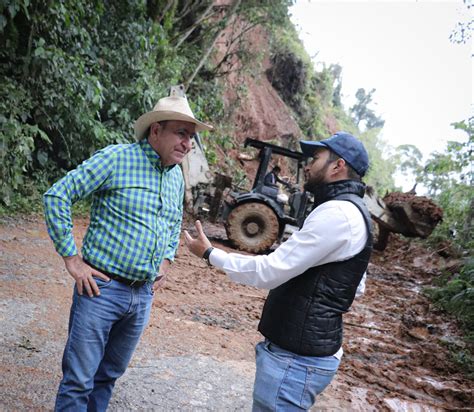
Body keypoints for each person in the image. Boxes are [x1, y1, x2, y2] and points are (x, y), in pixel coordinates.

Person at [44, 94, 212, 411]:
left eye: (191, 137)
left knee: (107, 378)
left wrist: (165, 260)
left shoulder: (175, 175)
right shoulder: (116, 159)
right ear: (155, 132)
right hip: (100, 289)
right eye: (181, 133)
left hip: (141, 296)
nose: (188, 143)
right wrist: (72, 259)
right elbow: (58, 195)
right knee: (79, 381)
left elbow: (173, 219)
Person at [184, 131, 372, 411]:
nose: (308, 164)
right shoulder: (354, 212)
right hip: (305, 355)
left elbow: (270, 270)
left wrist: (212, 255)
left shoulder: (337, 214)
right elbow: (356, 285)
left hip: (296, 361)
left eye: (316, 157)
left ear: (337, 166)